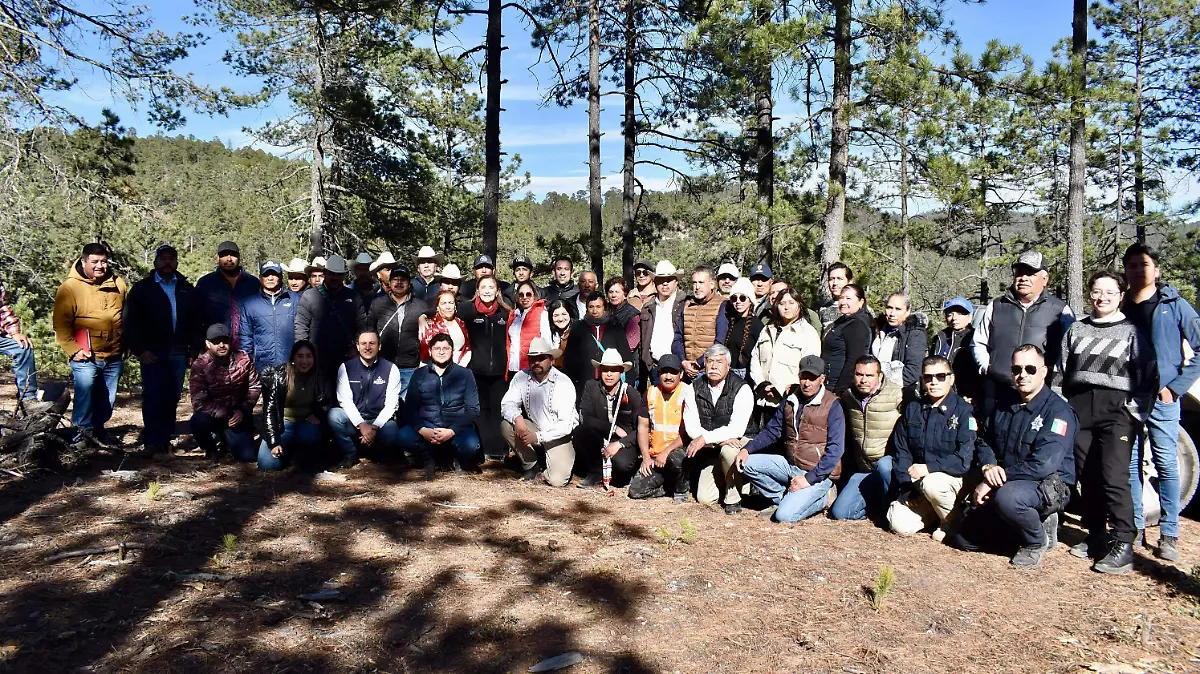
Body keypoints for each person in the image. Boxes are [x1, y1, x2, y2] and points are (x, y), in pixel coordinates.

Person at [950, 344, 1077, 569]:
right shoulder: (1005, 403)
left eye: (1030, 369)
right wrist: (989, 467)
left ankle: (1036, 541)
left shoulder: (1058, 412)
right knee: (963, 539)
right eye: (1017, 369)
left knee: (1009, 498)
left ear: (1044, 372)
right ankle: (1024, 529)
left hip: (1047, 484)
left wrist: (995, 480)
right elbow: (984, 439)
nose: (1022, 375)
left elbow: (1043, 465)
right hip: (1009, 481)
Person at [1061, 271, 1145, 574]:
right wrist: (1063, 408)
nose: (1102, 298)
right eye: (1097, 291)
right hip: (1080, 407)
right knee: (1088, 475)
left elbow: (1147, 376)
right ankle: (1096, 533)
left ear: (1120, 295)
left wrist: (1134, 412)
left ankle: (1124, 542)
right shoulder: (1077, 329)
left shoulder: (1131, 332)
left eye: (1110, 292)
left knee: (1114, 477)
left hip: (1117, 412)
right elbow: (1061, 371)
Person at [1122, 242, 1199, 562]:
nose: (1139, 270)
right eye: (1133, 265)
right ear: (1125, 271)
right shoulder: (1120, 304)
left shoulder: (1174, 304)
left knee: (1166, 463)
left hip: (1163, 398)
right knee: (1129, 464)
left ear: (1156, 269)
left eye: (1144, 264)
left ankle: (1169, 532)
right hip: (1127, 396)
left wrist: (1176, 387)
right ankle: (1136, 526)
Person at [738, 355, 845, 523]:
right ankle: (784, 498)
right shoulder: (790, 399)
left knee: (784, 516)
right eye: (804, 377)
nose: (807, 383)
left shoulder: (832, 405)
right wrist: (747, 449)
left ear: (822, 379)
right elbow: (772, 431)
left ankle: (825, 497)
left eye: (812, 378)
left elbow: (835, 450)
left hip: (818, 473)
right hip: (791, 465)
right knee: (747, 464)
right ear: (798, 375)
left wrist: (809, 479)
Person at [972, 249, 1075, 420]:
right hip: (998, 391)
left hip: (1040, 395)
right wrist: (987, 367)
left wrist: (1054, 376)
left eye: (1031, 273)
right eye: (1020, 272)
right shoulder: (996, 306)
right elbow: (979, 341)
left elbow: (1069, 352)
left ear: (1045, 279)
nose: (1023, 278)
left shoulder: (1060, 311)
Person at [887, 356, 978, 541]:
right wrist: (906, 485)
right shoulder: (913, 410)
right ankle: (935, 514)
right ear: (922, 380)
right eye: (928, 377)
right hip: (919, 484)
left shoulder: (964, 411)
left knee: (933, 483)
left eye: (940, 376)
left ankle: (952, 521)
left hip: (953, 481)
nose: (934, 382)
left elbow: (963, 461)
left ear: (951, 379)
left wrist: (928, 469)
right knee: (898, 524)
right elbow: (902, 451)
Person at [123, 244, 197, 454]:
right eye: (162, 258)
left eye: (171, 259)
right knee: (154, 395)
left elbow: (196, 321)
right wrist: (140, 350)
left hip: (179, 351)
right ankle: (152, 440)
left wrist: (193, 350)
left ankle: (165, 438)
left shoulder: (185, 289)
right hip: (153, 352)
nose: (167, 262)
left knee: (172, 396)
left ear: (176, 262)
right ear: (155, 262)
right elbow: (129, 322)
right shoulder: (142, 289)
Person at [53, 242, 127, 441]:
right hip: (85, 355)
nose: (100, 266)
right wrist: (73, 350)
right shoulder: (69, 288)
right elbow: (61, 325)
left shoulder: (118, 284)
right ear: (84, 261)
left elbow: (126, 316)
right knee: (85, 397)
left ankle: (98, 432)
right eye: (94, 262)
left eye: (103, 261)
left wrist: (126, 344)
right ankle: (81, 436)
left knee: (107, 399)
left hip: (113, 354)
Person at [682, 344, 753, 514]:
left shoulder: (742, 388)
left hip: (741, 443)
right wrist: (717, 439)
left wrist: (706, 438)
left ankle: (733, 496)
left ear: (728, 366)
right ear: (704, 364)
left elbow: (737, 429)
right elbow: (691, 427)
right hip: (714, 447)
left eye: (719, 362)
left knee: (729, 451)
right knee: (705, 498)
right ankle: (732, 480)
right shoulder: (694, 387)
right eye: (709, 361)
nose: (713, 366)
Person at [829, 356, 902, 522]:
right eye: (859, 374)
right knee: (841, 513)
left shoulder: (897, 395)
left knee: (892, 518)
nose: (863, 380)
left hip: (888, 468)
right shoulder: (848, 396)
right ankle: (875, 507)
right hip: (864, 470)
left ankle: (892, 506)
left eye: (869, 376)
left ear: (880, 376)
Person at [399, 333, 481, 475]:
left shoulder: (465, 374)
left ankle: (456, 459)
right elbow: (410, 408)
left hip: (455, 427)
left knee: (471, 445)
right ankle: (428, 457)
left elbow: (473, 409)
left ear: (452, 351)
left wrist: (451, 431)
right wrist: (422, 430)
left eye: (445, 348)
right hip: (428, 425)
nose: (441, 352)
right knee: (402, 436)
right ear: (430, 351)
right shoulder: (419, 374)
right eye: (437, 348)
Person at [501, 337, 579, 486]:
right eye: (533, 358)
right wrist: (517, 418)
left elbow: (565, 426)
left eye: (541, 358)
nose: (536, 362)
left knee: (557, 481)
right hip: (535, 429)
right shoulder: (521, 377)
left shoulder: (564, 382)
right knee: (506, 425)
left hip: (558, 435)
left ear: (552, 360)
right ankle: (531, 464)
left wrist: (537, 437)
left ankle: (551, 460)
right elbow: (507, 403)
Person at [575, 349, 649, 488]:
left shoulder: (631, 394)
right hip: (600, 436)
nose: (609, 374)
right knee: (579, 432)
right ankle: (595, 473)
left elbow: (641, 428)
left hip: (623, 441)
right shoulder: (591, 386)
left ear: (621, 372)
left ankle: (625, 473)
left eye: (614, 370)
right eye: (605, 370)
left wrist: (620, 443)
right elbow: (585, 417)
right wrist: (612, 428)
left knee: (621, 464)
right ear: (600, 371)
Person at [189, 324, 261, 464]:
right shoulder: (200, 365)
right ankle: (211, 449)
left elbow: (255, 386)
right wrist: (226, 413)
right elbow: (198, 401)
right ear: (208, 344)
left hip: (238, 413)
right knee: (198, 421)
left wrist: (243, 409)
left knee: (246, 457)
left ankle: (233, 439)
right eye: (216, 342)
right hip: (214, 415)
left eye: (225, 341)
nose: (221, 345)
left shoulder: (244, 359)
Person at [329, 330, 402, 469]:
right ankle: (350, 454)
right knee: (334, 415)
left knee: (392, 429)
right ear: (357, 346)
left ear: (379, 346)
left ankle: (378, 455)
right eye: (363, 343)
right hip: (354, 421)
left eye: (372, 343)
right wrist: (361, 424)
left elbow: (391, 404)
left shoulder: (391, 369)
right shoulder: (345, 368)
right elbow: (345, 401)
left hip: (379, 421)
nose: (367, 347)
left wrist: (374, 427)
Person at [294, 254, 369, 384]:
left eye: (338, 274)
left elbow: (362, 326)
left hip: (346, 358)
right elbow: (301, 326)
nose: (334, 277)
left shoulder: (354, 297)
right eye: (332, 274)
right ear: (325, 274)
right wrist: (304, 355)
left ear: (344, 276)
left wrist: (356, 348)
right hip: (317, 359)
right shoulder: (310, 296)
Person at [749, 285, 821, 418]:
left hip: (791, 399)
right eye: (782, 303)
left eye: (791, 303)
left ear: (799, 305)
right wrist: (761, 384)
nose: (786, 307)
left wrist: (780, 389)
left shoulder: (808, 333)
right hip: (765, 399)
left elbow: (809, 368)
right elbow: (755, 358)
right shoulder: (767, 330)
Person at [257, 340, 330, 472]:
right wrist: (274, 443)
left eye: (308, 356)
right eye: (300, 356)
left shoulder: (320, 376)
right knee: (267, 466)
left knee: (311, 442)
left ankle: (299, 453)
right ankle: (285, 450)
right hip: (282, 425)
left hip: (305, 424)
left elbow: (327, 402)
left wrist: (317, 414)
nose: (304, 361)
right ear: (292, 358)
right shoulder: (279, 376)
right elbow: (269, 411)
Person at [459, 276, 511, 459]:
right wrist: (424, 316)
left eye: (491, 287)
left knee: (498, 409)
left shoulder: (506, 313)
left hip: (500, 372)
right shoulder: (467, 310)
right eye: (483, 287)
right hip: (476, 371)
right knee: (480, 410)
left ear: (497, 291)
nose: (487, 290)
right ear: (477, 290)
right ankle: (484, 449)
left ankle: (498, 449)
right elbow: (444, 309)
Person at [628, 354, 690, 501]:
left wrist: (666, 452)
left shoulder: (688, 393)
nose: (668, 376)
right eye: (664, 372)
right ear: (658, 374)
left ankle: (682, 490)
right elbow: (643, 427)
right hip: (656, 456)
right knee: (636, 491)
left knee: (677, 459)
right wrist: (646, 457)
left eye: (673, 372)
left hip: (680, 453)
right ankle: (669, 487)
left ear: (681, 374)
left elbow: (689, 432)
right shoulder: (651, 392)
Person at [368, 265, 427, 397]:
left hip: (410, 366)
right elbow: (369, 330)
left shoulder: (420, 306)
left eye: (403, 280)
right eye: (395, 279)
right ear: (389, 282)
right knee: (382, 404)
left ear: (409, 283)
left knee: (407, 407)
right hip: (383, 365)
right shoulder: (378, 304)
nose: (399, 283)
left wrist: (423, 316)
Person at [562, 292, 633, 394]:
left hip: (611, 383)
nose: (594, 311)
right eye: (591, 307)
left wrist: (628, 382)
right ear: (586, 308)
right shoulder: (578, 327)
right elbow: (570, 358)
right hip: (584, 384)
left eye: (598, 307)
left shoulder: (615, 326)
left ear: (604, 307)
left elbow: (625, 354)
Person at [194, 241, 260, 348]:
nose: (229, 259)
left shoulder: (253, 284)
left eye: (233, 255)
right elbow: (196, 318)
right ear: (217, 258)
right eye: (224, 255)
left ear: (239, 257)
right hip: (216, 347)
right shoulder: (205, 283)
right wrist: (197, 346)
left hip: (248, 347)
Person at [239, 261, 299, 373]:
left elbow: (302, 332)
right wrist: (247, 364)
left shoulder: (295, 300)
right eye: (266, 275)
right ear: (260, 278)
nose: (270, 278)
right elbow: (245, 338)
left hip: (291, 366)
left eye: (274, 274)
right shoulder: (250, 304)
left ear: (281, 277)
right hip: (262, 368)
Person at [673, 266, 725, 380]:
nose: (697, 287)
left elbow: (720, 341)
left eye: (701, 282)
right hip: (686, 370)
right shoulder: (687, 305)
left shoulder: (722, 305)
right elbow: (678, 337)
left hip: (709, 370)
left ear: (712, 284)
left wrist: (699, 363)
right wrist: (683, 361)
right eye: (694, 283)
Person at [639, 261, 686, 387]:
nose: (665, 283)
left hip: (680, 368)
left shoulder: (685, 304)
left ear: (676, 281)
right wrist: (647, 361)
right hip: (656, 367)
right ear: (654, 282)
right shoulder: (648, 307)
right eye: (660, 280)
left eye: (669, 279)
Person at [871, 292, 927, 396]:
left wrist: (882, 384)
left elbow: (913, 372)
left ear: (907, 311)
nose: (892, 313)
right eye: (889, 307)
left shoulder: (914, 334)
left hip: (897, 394)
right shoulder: (878, 329)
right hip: (872, 390)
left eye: (898, 309)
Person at [822, 284, 873, 394]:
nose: (843, 302)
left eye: (848, 298)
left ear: (861, 302)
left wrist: (840, 391)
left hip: (839, 388)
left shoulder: (858, 325)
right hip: (828, 383)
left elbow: (853, 362)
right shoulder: (843, 321)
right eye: (841, 298)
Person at [930, 297, 980, 400]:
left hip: (967, 396)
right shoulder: (940, 337)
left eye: (960, 314)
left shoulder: (976, 338)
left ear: (970, 317)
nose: (954, 318)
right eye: (950, 314)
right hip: (939, 393)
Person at [716, 278, 762, 381]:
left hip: (748, 376)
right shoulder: (729, 321)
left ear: (750, 301)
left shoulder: (757, 325)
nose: (738, 302)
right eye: (734, 298)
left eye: (742, 298)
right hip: (728, 373)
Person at [507, 280, 552, 375]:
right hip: (513, 368)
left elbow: (547, 342)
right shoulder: (514, 315)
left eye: (528, 294)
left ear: (534, 295)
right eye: (521, 294)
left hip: (532, 368)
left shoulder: (542, 314)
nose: (524, 297)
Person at [419, 289, 471, 366]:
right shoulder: (428, 325)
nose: (448, 307)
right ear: (437, 307)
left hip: (459, 368)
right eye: (443, 303)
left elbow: (467, 347)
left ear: (455, 306)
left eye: (451, 303)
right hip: (433, 369)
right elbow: (425, 354)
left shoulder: (461, 323)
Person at [606, 277, 642, 383]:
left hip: (627, 367)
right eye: (610, 292)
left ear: (625, 294)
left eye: (617, 292)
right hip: (606, 367)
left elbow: (630, 345)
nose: (613, 295)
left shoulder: (632, 315)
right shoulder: (604, 312)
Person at [818, 262, 853, 330]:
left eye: (839, 278)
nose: (835, 283)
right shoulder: (823, 309)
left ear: (850, 282)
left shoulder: (860, 308)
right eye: (831, 279)